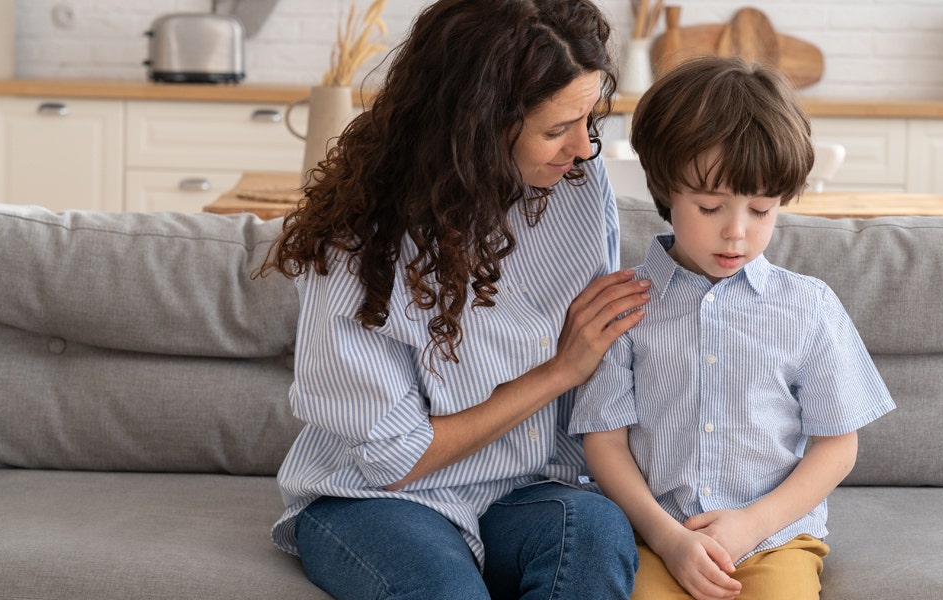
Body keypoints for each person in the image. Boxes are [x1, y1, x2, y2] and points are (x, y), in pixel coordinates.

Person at [258, 1, 650, 598]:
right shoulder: (361, 242)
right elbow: (393, 459)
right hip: (377, 499)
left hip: (524, 491)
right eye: (555, 130)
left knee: (594, 532)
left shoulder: (576, 182)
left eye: (589, 118)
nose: (585, 148)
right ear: (476, 125)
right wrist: (559, 372)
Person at [570, 56, 896, 600]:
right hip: (659, 538)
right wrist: (666, 537)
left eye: (762, 210)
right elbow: (604, 443)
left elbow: (837, 447)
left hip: (773, 540)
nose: (736, 233)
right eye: (709, 206)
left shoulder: (807, 307)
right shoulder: (625, 306)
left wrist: (751, 525)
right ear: (664, 189)